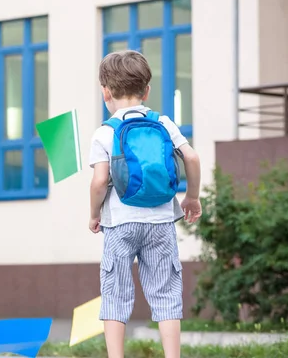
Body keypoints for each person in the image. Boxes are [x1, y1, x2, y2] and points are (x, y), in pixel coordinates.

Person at [88, 51, 202, 358]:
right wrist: (191, 196)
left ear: (105, 92)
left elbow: (100, 182)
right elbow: (191, 157)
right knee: (165, 292)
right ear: (147, 91)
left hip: (120, 224)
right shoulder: (163, 123)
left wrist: (94, 214)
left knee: (116, 293)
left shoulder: (105, 132)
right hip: (161, 223)